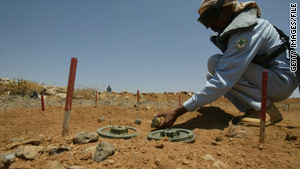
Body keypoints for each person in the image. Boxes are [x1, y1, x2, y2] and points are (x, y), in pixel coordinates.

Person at [155, 0, 300, 128]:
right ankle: (254, 108)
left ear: (226, 8)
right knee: (214, 67)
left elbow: (224, 78)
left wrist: (178, 111)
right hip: (274, 80)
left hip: (281, 81)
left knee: (218, 66)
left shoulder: (249, 30)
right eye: (203, 21)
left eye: (210, 17)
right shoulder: (240, 30)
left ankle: (266, 109)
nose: (208, 25)